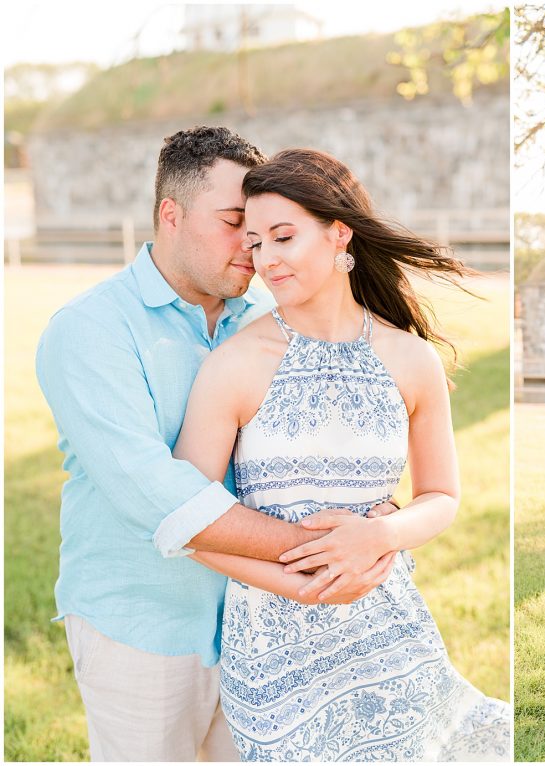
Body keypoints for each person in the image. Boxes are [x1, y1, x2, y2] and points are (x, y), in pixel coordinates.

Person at [36, 126, 397, 762]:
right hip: (142, 629)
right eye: (234, 223)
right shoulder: (90, 330)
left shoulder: (266, 317)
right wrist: (327, 550)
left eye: (261, 229)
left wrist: (382, 519)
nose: (252, 248)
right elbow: (153, 493)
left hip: (262, 629)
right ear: (170, 216)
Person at [170, 147, 511, 761]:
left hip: (390, 631)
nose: (266, 259)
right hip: (274, 654)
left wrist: (380, 537)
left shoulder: (412, 360)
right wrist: (302, 586)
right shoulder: (234, 366)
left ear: (339, 234)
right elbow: (191, 525)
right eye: (255, 242)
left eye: (283, 236)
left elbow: (442, 497)